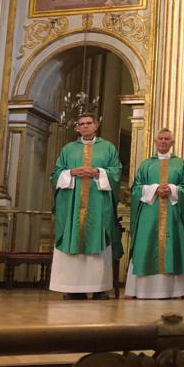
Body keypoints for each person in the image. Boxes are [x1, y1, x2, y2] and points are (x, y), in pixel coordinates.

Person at [49, 113, 122, 300]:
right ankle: (73, 289)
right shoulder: (68, 149)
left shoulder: (108, 148)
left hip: (98, 206)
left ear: (96, 126)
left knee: (98, 241)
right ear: (77, 128)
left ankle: (99, 289)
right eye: (81, 124)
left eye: (89, 123)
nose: (85, 127)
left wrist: (98, 172)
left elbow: (116, 173)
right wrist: (71, 172)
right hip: (72, 206)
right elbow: (56, 174)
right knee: (73, 240)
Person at [125, 129, 184, 299]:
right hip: (150, 213)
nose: (163, 141)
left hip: (173, 214)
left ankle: (173, 291)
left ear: (172, 142)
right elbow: (136, 188)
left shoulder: (180, 164)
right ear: (155, 142)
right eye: (160, 139)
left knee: (172, 246)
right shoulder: (146, 164)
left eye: (167, 139)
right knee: (147, 244)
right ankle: (143, 290)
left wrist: (172, 189)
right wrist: (154, 189)